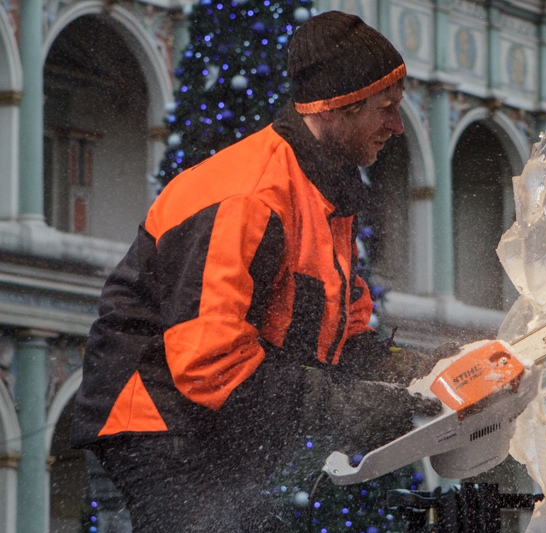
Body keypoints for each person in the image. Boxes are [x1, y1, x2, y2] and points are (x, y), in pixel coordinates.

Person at [71, 11, 448, 532]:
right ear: (334, 109)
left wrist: (427, 371)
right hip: (159, 427)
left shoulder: (323, 196)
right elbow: (209, 363)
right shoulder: (251, 195)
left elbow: (344, 341)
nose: (396, 126)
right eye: (385, 109)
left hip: (211, 432)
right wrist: (353, 405)